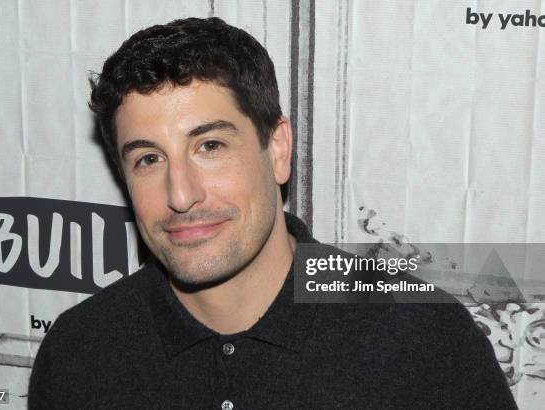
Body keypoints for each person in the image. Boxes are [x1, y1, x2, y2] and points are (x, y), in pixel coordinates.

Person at [28, 17, 517, 409]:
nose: (180, 195)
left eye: (211, 145)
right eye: (149, 159)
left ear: (277, 148)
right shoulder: (80, 354)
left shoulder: (421, 338)